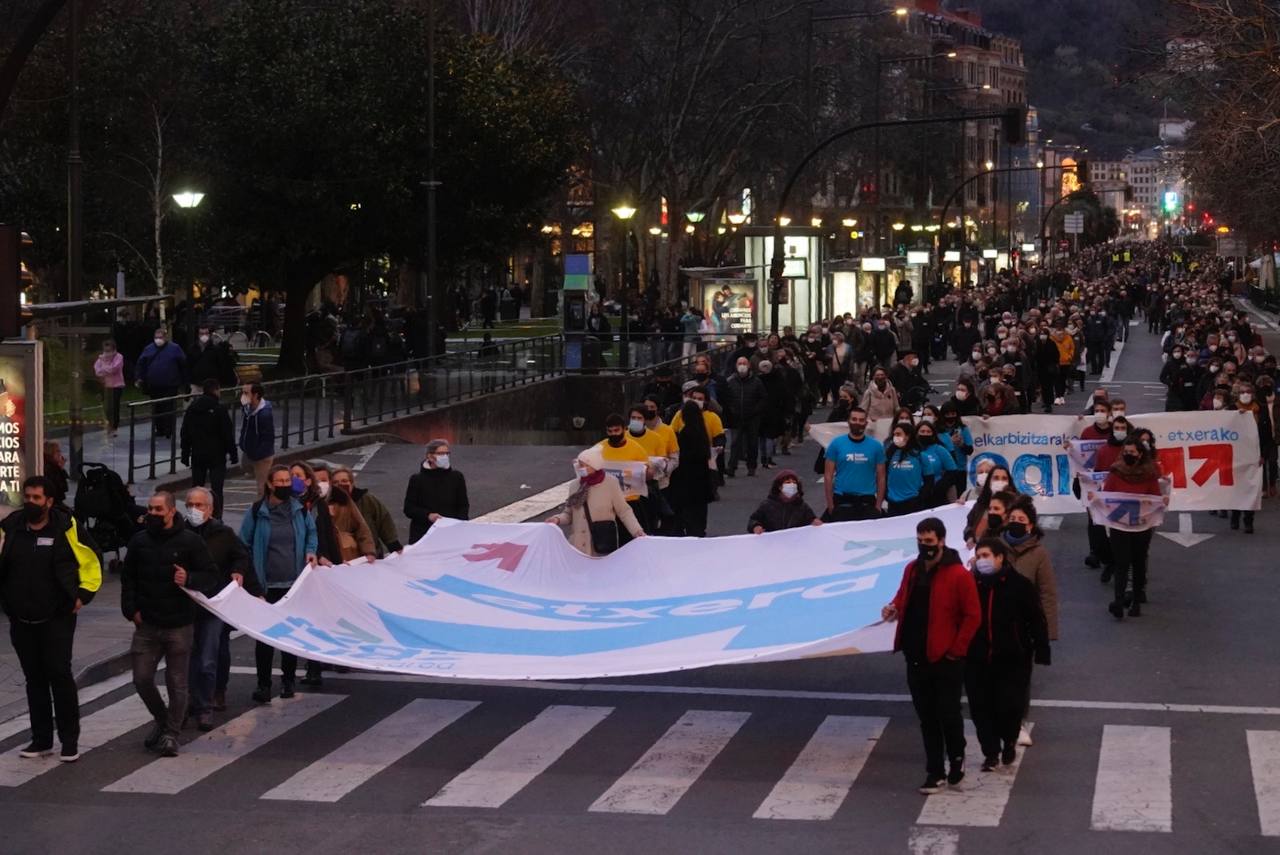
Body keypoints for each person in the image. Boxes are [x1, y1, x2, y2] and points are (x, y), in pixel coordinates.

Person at [0, 476, 101, 762]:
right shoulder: (11, 527)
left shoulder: (66, 527)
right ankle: (41, 740)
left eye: (37, 498)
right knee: (34, 679)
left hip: (57, 617)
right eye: (27, 496)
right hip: (21, 618)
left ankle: (69, 741)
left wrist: (83, 595)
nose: (31, 502)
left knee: (59, 675)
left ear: (49, 501)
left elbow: (91, 561)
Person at [881, 517, 981, 794]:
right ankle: (934, 770)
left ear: (941, 541)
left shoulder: (959, 575)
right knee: (927, 716)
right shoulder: (912, 570)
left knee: (948, 714)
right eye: (920, 541)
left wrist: (956, 651)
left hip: (946, 659)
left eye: (929, 541)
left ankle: (956, 761)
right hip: (916, 656)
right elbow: (902, 598)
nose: (924, 546)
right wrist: (891, 608)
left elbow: (973, 615)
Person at [121, 490, 221, 757]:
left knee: (177, 682)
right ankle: (164, 720)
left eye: (158, 510)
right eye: (150, 510)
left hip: (179, 623)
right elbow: (128, 578)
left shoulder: (190, 541)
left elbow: (210, 575)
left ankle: (171, 734)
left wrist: (189, 578)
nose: (152, 514)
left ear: (170, 512)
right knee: (141, 679)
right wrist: (131, 610)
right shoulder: (139, 541)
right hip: (147, 623)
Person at [965, 537, 1051, 771]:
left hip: (1013, 657)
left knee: (1009, 705)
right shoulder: (970, 585)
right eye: (979, 556)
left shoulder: (1020, 585)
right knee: (980, 708)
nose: (981, 561)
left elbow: (1036, 618)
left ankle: (1009, 740)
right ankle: (991, 753)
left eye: (986, 556)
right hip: (977, 658)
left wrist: (1041, 648)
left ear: (1000, 558)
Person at [182, 487, 259, 731]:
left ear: (211, 509)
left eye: (200, 505)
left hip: (213, 607)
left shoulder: (223, 534)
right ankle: (186, 704)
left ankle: (205, 707)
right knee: (184, 661)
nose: (194, 510)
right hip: (184, 607)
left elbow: (241, 556)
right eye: (190, 504)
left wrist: (239, 571)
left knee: (206, 659)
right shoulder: (179, 533)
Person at [239, 465, 318, 701]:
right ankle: (263, 684)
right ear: (270, 484)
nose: (285, 485)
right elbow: (243, 543)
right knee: (265, 638)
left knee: (288, 636)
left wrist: (311, 551)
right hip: (265, 584)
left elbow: (312, 534)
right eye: (280, 481)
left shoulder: (300, 510)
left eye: (288, 481)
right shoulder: (256, 511)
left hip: (293, 584)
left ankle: (288, 681)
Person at [1100, 438, 1167, 619]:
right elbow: (1107, 494)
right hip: (1119, 525)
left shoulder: (1149, 474)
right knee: (1121, 563)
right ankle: (1119, 602)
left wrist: (1161, 501)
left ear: (1140, 455)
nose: (1129, 455)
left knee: (1138, 563)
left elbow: (1155, 496)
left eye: (1133, 453)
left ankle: (1136, 601)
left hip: (1141, 526)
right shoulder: (1116, 472)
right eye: (1126, 452)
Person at [546, 446, 644, 554]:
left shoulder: (610, 483)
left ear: (595, 465)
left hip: (601, 545)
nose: (580, 468)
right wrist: (557, 519)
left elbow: (624, 511)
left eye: (584, 465)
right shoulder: (575, 485)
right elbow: (568, 514)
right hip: (578, 548)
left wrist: (637, 531)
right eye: (580, 464)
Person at [180, 379, 238, 518]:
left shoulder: (192, 409)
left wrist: (185, 454)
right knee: (217, 489)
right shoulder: (219, 409)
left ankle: (194, 516)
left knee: (197, 487)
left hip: (198, 453)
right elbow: (227, 434)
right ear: (216, 390)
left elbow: (185, 432)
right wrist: (233, 453)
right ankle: (216, 517)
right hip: (216, 455)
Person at [823, 407, 886, 522]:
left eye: (861, 420)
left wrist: (878, 505)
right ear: (848, 421)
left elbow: (881, 477)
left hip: (867, 502)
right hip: (842, 501)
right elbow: (828, 476)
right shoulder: (836, 444)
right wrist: (830, 505)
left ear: (866, 423)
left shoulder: (877, 446)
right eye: (854, 419)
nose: (857, 422)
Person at [403, 439, 470, 543]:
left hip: (450, 533)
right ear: (430, 456)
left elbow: (463, 505)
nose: (445, 456)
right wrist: (428, 515)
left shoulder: (457, 477)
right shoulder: (417, 479)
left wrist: (460, 525)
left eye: (447, 453)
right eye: (440, 453)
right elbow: (409, 509)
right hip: (423, 534)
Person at [667, 401, 716, 537]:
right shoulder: (702, 432)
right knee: (699, 513)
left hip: (686, 480)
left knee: (686, 514)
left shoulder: (685, 434)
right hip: (701, 479)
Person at [332, 467, 402, 557]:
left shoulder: (366, 500)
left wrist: (393, 544)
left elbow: (383, 520)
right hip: (344, 556)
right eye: (335, 482)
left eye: (344, 481)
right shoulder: (328, 504)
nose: (340, 484)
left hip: (371, 555)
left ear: (352, 483)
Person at [134, 327, 189, 439]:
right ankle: (159, 429)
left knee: (169, 407)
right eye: (156, 337)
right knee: (157, 408)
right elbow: (141, 364)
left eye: (160, 337)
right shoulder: (148, 349)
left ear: (165, 337)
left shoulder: (175, 348)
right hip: (154, 385)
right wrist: (139, 378)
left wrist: (185, 381)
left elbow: (183, 365)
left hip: (170, 384)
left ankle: (169, 429)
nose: (158, 339)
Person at [722, 356, 766, 477]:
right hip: (736, 418)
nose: (742, 365)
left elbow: (763, 398)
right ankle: (732, 467)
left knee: (752, 443)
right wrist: (732, 410)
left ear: (749, 365)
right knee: (735, 443)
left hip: (752, 418)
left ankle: (751, 467)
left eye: (744, 363)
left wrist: (755, 411)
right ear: (736, 366)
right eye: (739, 363)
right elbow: (727, 398)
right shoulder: (730, 381)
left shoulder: (756, 381)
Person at [748, 469, 821, 532]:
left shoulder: (802, 507)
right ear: (779, 487)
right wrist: (755, 527)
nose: (791, 485)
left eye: (794, 483)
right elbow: (753, 520)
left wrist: (815, 522)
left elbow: (811, 519)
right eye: (788, 482)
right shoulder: (767, 505)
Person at [884, 421, 930, 516]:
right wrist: (886, 495)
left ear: (908, 436)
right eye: (894, 434)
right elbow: (883, 476)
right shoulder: (889, 454)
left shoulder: (920, 455)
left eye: (898, 434)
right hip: (893, 503)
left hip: (913, 503)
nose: (895, 437)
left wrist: (919, 498)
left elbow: (929, 480)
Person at [238, 383, 275, 489]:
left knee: (262, 488)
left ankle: (265, 503)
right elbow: (245, 428)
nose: (243, 396)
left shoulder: (264, 414)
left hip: (262, 455)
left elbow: (268, 438)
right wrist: (243, 444)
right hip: (249, 450)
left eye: (246, 393)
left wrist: (258, 455)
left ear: (255, 395)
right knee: (246, 468)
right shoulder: (247, 408)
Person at [186, 325, 237, 394]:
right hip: (196, 384)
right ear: (198, 335)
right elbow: (188, 366)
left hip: (211, 385)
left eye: (206, 333)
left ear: (209, 334)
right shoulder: (192, 349)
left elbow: (221, 365)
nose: (204, 335)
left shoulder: (216, 350)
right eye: (202, 333)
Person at [93, 338, 125, 437]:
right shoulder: (101, 358)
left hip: (116, 385)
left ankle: (114, 427)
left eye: (109, 351)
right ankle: (108, 426)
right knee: (106, 407)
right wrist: (105, 370)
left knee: (114, 407)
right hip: (106, 385)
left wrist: (104, 369)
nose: (107, 353)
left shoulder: (119, 357)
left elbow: (114, 369)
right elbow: (97, 371)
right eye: (105, 351)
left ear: (113, 349)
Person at [43, 441, 70, 510]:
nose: (60, 454)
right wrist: (60, 469)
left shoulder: (53, 467)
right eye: (57, 451)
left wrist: (60, 468)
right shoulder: (51, 469)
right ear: (50, 453)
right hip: (53, 506)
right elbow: (62, 489)